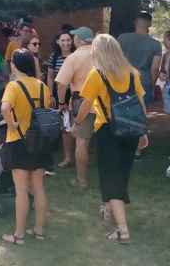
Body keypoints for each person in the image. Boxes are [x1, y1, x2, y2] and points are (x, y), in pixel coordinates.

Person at [74, 34, 148, 244]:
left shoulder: (96, 75)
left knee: (111, 178)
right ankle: (108, 209)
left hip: (108, 132)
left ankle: (122, 230)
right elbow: (141, 105)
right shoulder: (133, 74)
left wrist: (77, 122)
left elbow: (85, 106)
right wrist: (143, 132)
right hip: (131, 131)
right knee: (122, 174)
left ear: (97, 52)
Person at [0, 49, 52, 245]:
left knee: (21, 190)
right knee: (39, 188)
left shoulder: (13, 86)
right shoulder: (42, 86)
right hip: (39, 141)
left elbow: (5, 108)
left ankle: (19, 235)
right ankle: (38, 230)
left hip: (18, 141)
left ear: (14, 65)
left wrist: (12, 123)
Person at [55, 27, 96, 186]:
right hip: (103, 102)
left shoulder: (73, 57)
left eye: (74, 38)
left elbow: (61, 84)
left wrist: (61, 102)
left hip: (82, 102)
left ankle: (81, 180)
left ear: (79, 39)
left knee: (81, 141)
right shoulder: (101, 54)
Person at [118, 11, 162, 106]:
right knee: (140, 112)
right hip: (143, 83)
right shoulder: (155, 44)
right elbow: (154, 69)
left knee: (121, 111)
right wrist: (152, 85)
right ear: (150, 24)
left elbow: (114, 59)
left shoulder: (121, 38)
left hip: (122, 80)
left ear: (135, 22)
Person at [46, 31, 75, 173]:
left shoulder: (75, 55)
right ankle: (67, 157)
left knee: (75, 125)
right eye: (63, 40)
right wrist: (51, 94)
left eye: (68, 40)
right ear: (58, 42)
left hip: (75, 93)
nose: (66, 43)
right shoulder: (54, 56)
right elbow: (50, 77)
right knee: (65, 126)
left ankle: (75, 154)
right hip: (59, 93)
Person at [160, 31, 170, 114]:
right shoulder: (165, 55)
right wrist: (162, 75)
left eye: (165, 39)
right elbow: (163, 71)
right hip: (167, 86)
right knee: (167, 111)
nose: (163, 42)